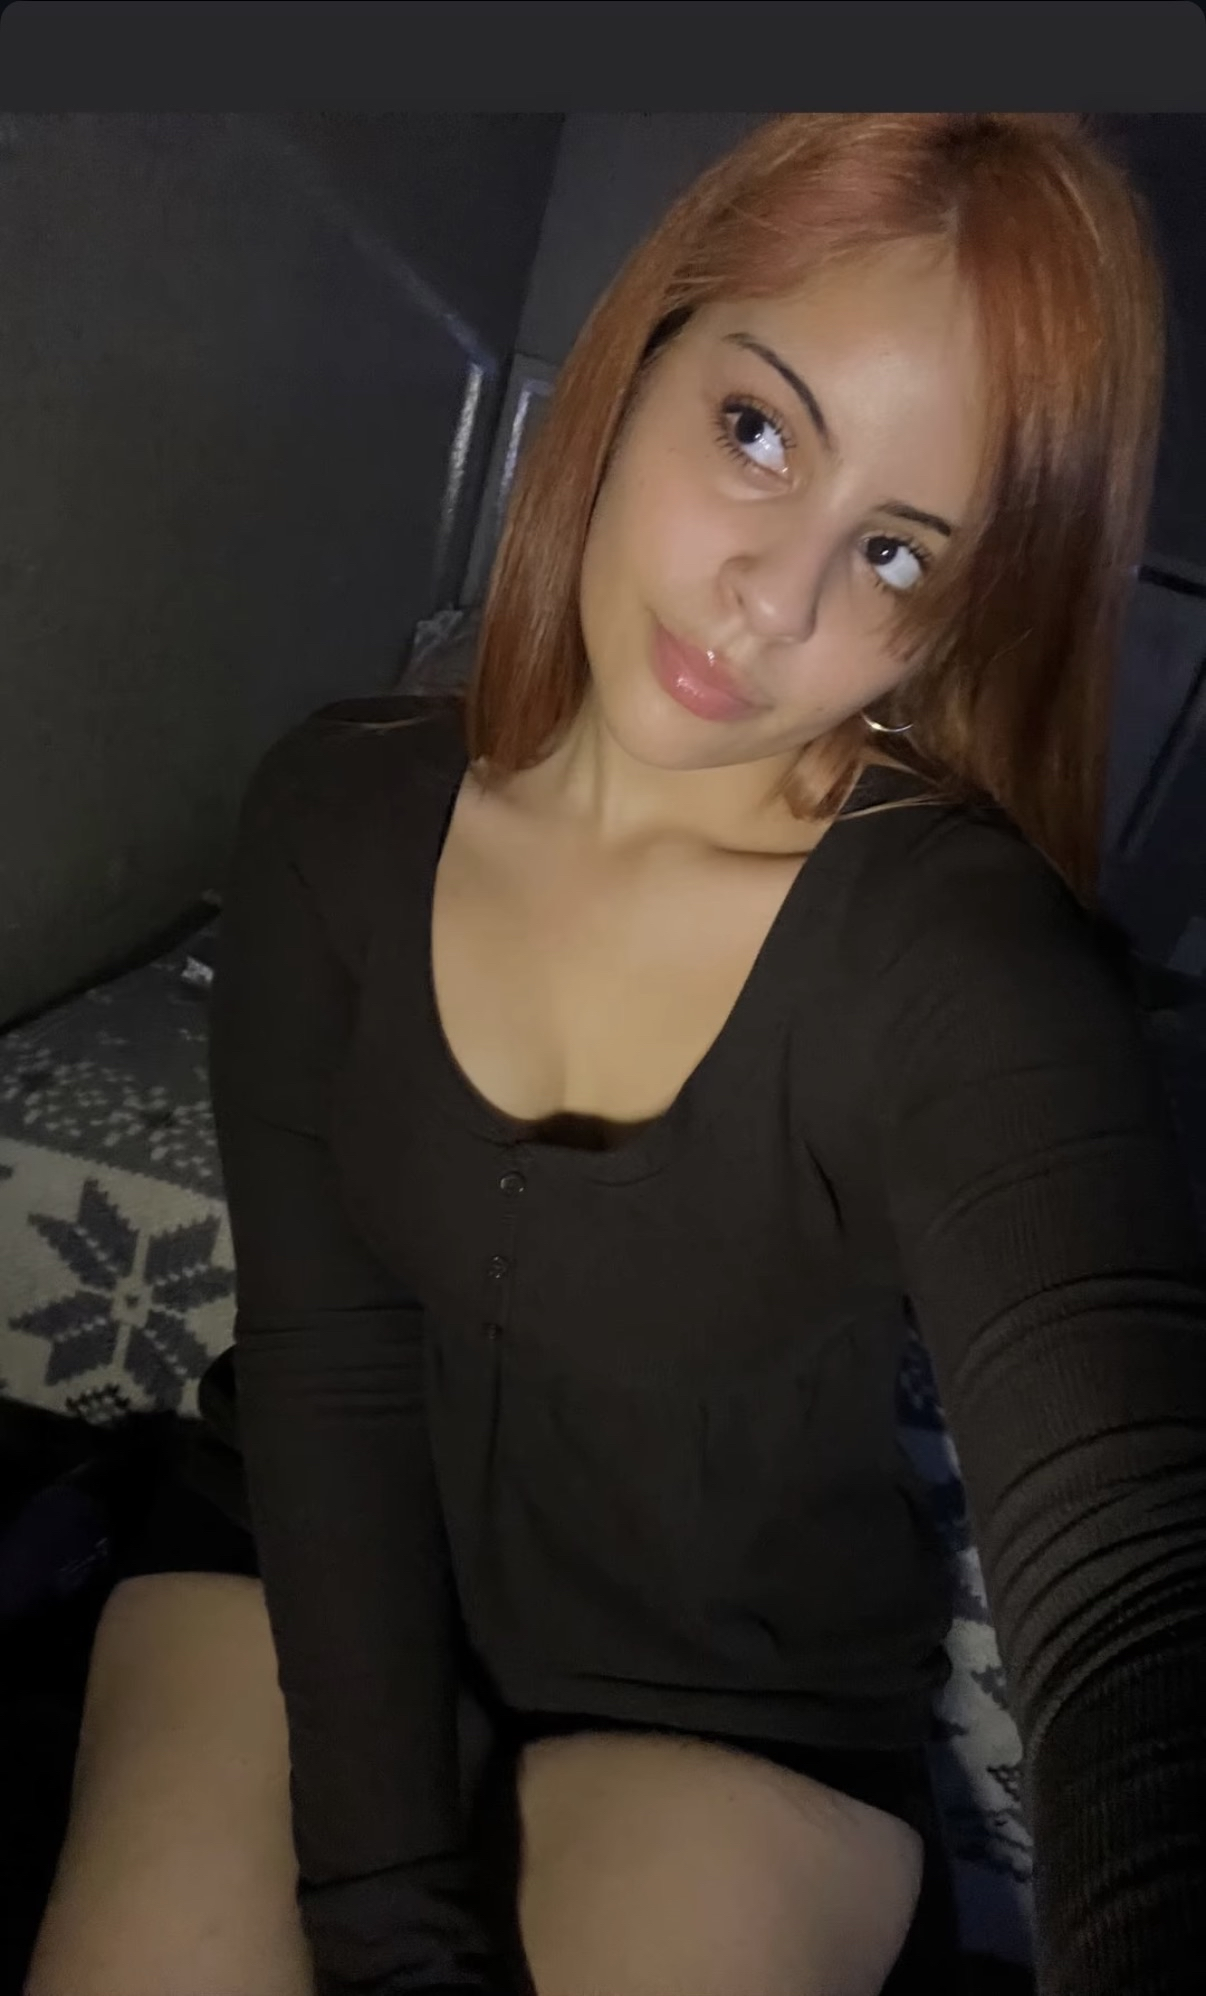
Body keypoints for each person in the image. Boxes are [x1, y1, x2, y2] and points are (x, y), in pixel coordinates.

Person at [26, 112, 1206, 1996]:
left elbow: (1134, 1550)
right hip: (293, 1554)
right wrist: (387, 1920)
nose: (773, 601)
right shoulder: (335, 814)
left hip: (729, 1689)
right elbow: (330, 1360)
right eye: (757, 432)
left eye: (894, 554)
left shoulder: (961, 960)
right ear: (637, 357)